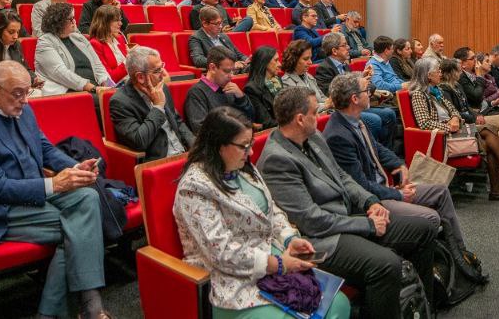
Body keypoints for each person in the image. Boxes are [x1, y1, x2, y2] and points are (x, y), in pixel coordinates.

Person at [258, 86, 438, 318]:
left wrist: (370, 201)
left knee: (424, 228)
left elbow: (342, 176)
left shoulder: (313, 137)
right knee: (386, 264)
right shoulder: (277, 160)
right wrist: (368, 225)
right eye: (315, 112)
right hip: (318, 240)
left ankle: (422, 307)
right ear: (300, 119)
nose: (320, 116)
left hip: (347, 217)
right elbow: (312, 221)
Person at [0, 61, 110, 319]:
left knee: (88, 197)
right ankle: (89, 306)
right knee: (78, 230)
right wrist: (54, 184)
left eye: (27, 92)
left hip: (35, 195)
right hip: (0, 209)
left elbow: (45, 149)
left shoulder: (23, 109)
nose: (25, 100)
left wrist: (75, 167)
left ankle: (68, 310)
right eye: (18, 93)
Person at [174, 107, 350, 318]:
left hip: (273, 257)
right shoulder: (194, 187)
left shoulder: (242, 167)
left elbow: (270, 210)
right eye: (244, 146)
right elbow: (222, 253)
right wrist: (277, 264)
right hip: (232, 280)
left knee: (338, 305)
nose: (250, 152)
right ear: (218, 145)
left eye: (251, 144)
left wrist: (289, 238)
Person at [324, 72, 474, 255]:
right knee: (431, 217)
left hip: (385, 187)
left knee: (440, 192)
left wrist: (399, 165)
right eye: (366, 90)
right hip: (373, 199)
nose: (370, 93)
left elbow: (377, 148)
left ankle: (460, 253)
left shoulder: (355, 119)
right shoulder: (338, 136)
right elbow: (360, 186)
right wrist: (399, 194)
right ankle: (437, 260)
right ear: (355, 99)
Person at [409, 57, 499, 201]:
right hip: (442, 137)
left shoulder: (436, 90)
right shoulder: (419, 94)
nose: (440, 73)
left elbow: (453, 110)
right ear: (428, 75)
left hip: (453, 130)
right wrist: (448, 127)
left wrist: (455, 118)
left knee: (490, 135)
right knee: (489, 134)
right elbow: (424, 123)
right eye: (438, 71)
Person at [108, 46, 194, 159]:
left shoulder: (162, 88)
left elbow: (177, 121)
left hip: (184, 154)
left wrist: (197, 148)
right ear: (140, 77)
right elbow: (139, 141)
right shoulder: (120, 102)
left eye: (162, 67)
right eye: (157, 71)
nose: (164, 74)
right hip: (160, 161)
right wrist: (158, 107)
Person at [316, 33, 398, 147]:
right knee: (374, 120)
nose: (348, 47)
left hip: (356, 105)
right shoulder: (324, 69)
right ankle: (369, 151)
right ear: (334, 51)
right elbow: (333, 96)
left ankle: (384, 150)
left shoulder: (345, 66)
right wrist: (360, 83)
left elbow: (363, 87)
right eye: (344, 45)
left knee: (389, 114)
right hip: (343, 110)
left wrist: (363, 79)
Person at [35, 3, 110, 96]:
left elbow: (98, 66)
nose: (74, 21)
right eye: (71, 19)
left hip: (94, 88)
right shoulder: (45, 42)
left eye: (74, 18)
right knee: (111, 101)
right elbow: (61, 73)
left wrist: (107, 84)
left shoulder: (79, 38)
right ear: (59, 22)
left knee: (115, 96)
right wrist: (93, 88)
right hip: (68, 90)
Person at [183, 47, 254, 132]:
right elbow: (201, 129)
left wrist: (241, 98)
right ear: (212, 68)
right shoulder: (196, 93)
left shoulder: (231, 88)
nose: (231, 76)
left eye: (233, 71)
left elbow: (249, 119)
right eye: (227, 71)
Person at [279, 40, 331, 113]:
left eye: (310, 58)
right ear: (294, 60)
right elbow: (302, 111)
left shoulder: (309, 76)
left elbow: (322, 98)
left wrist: (331, 102)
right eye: (306, 59)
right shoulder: (286, 82)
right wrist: (325, 105)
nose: (310, 62)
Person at [87, 5, 130, 82]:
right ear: (104, 23)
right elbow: (109, 79)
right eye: (116, 20)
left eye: (120, 20)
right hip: (117, 86)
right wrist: (129, 60)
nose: (120, 23)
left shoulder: (120, 38)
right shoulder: (95, 44)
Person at [242, 46, 282, 130]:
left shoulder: (277, 80)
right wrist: (292, 121)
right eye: (276, 60)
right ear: (265, 62)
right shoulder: (252, 89)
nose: (279, 64)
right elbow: (266, 122)